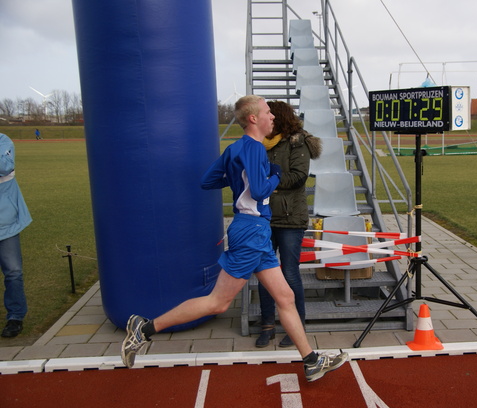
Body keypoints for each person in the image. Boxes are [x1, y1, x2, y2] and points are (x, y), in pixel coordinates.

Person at [121, 95, 347, 382]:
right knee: (218, 302)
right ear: (253, 118)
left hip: (257, 231)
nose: (273, 117)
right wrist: (275, 175)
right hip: (251, 230)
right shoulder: (253, 148)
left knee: (285, 297)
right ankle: (144, 329)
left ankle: (311, 361)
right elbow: (262, 192)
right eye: (267, 112)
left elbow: (208, 181)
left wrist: (238, 177)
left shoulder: (236, 148)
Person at [255, 101, 321, 348]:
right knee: (265, 274)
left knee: (289, 272)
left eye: (271, 113)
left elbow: (298, 177)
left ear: (280, 117)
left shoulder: (297, 141)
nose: (268, 117)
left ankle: (297, 325)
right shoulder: (259, 142)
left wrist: (267, 181)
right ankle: (267, 326)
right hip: (263, 217)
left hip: (291, 217)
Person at [0, 133, 32, 338]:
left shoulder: (4, 141)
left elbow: (4, 166)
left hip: (6, 222)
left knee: (13, 272)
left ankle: (15, 317)